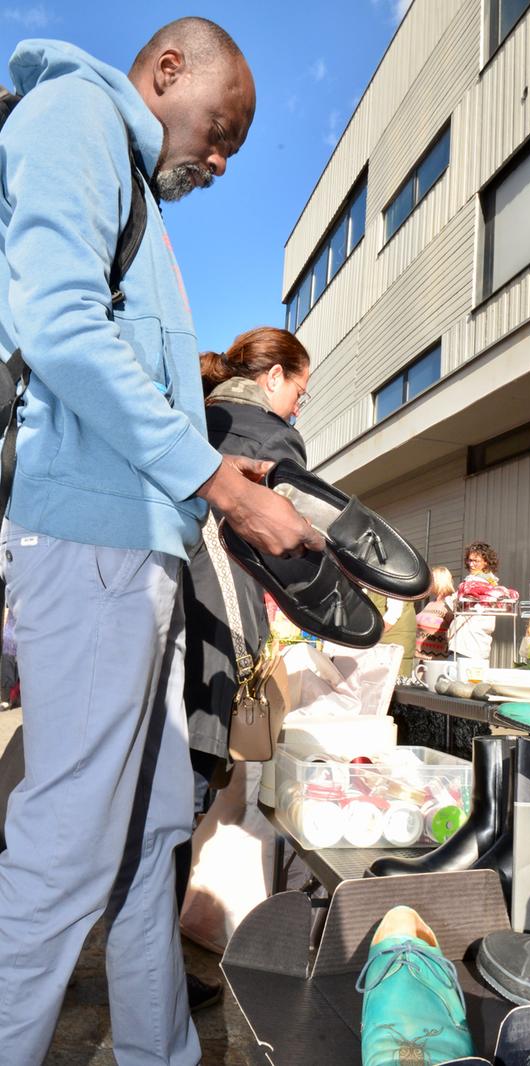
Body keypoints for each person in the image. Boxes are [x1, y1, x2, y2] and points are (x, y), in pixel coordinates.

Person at [0, 19, 322, 1066]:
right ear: (167, 70)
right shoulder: (77, 113)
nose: (223, 159)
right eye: (220, 129)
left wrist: (221, 472)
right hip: (92, 543)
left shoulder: (133, 179)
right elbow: (57, 324)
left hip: (134, 548)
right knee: (63, 855)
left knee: (146, 849)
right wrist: (224, 487)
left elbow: (117, 353)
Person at [181, 326, 310, 816]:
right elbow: (284, 548)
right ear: (274, 377)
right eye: (300, 391)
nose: (298, 406)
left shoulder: (192, 418)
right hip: (216, 633)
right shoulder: (274, 437)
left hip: (155, 618)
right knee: (181, 811)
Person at [448, 542, 500, 662]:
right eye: (469, 560)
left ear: (486, 562)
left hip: (467, 643)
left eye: (476, 561)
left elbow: (451, 604)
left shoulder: (475, 583)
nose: (471, 564)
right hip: (476, 644)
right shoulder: (491, 583)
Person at [369, 592, 416, 677]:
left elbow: (394, 613)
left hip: (391, 641)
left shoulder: (390, 579)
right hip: (389, 640)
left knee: (392, 683)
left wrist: (372, 634)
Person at [414, 565, 455, 660]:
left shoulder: (448, 604)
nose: (429, 583)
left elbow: (454, 630)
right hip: (419, 657)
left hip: (436, 660)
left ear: (438, 581)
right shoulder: (431, 603)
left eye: (431, 580)